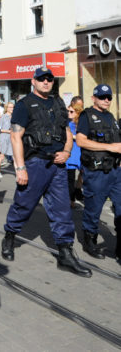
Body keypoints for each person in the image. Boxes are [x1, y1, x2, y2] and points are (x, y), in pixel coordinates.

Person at [1, 67, 91, 277]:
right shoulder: (24, 105)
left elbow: (67, 132)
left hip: (58, 166)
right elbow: (16, 137)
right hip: (35, 164)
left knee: (62, 210)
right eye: (42, 79)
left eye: (49, 79)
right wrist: (20, 167)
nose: (46, 82)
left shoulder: (58, 103)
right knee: (23, 204)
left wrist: (67, 152)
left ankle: (65, 254)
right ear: (33, 81)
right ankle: (10, 235)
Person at [75, 84, 121, 262]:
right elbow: (80, 141)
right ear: (94, 98)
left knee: (120, 209)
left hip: (116, 171)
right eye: (102, 97)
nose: (106, 100)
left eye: (109, 97)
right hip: (97, 172)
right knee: (93, 210)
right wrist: (110, 147)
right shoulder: (87, 116)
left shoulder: (111, 117)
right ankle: (89, 242)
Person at [66, 101, 84, 206]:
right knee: (70, 179)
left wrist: (73, 136)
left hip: (81, 154)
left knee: (85, 176)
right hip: (71, 155)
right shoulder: (67, 124)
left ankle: (78, 191)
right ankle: (71, 200)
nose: (69, 113)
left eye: (71, 112)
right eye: (68, 111)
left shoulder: (81, 124)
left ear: (77, 113)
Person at [0, 101, 15, 179]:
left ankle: (17, 173)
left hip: (12, 138)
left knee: (15, 156)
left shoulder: (14, 116)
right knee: (1, 156)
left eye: (13, 107)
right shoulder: (3, 117)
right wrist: (8, 131)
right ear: (6, 108)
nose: (12, 109)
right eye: (10, 107)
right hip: (4, 138)